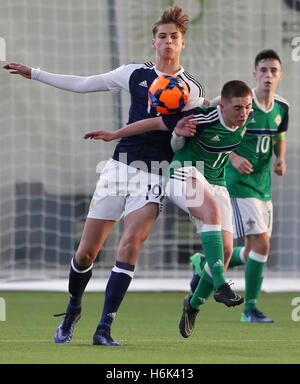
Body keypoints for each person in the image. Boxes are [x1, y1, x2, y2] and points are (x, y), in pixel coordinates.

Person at [3, 5, 206, 346]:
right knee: (87, 253)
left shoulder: (192, 89)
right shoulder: (133, 74)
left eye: (175, 37)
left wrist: (180, 132)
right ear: (153, 42)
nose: (168, 42)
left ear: (182, 43)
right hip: (119, 168)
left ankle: (104, 329)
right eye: (162, 36)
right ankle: (73, 308)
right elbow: (84, 84)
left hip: (155, 173)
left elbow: (178, 140)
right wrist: (34, 73)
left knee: (130, 245)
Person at [84, 79, 253, 338]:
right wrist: (117, 134)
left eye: (248, 108)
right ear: (224, 104)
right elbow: (159, 129)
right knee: (212, 214)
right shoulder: (201, 116)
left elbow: (229, 136)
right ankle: (220, 285)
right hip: (183, 173)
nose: (244, 113)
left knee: (226, 251)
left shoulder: (245, 119)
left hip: (216, 183)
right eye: (238, 107)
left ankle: (193, 305)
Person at [190, 49, 289, 323]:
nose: (268, 75)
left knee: (254, 250)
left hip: (263, 185)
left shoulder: (282, 108)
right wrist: (232, 157)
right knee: (261, 243)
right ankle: (250, 309)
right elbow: (215, 121)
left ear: (280, 75)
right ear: (255, 74)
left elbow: (280, 136)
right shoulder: (243, 103)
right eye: (264, 70)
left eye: (274, 70)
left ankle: (203, 264)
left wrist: (280, 159)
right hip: (237, 184)